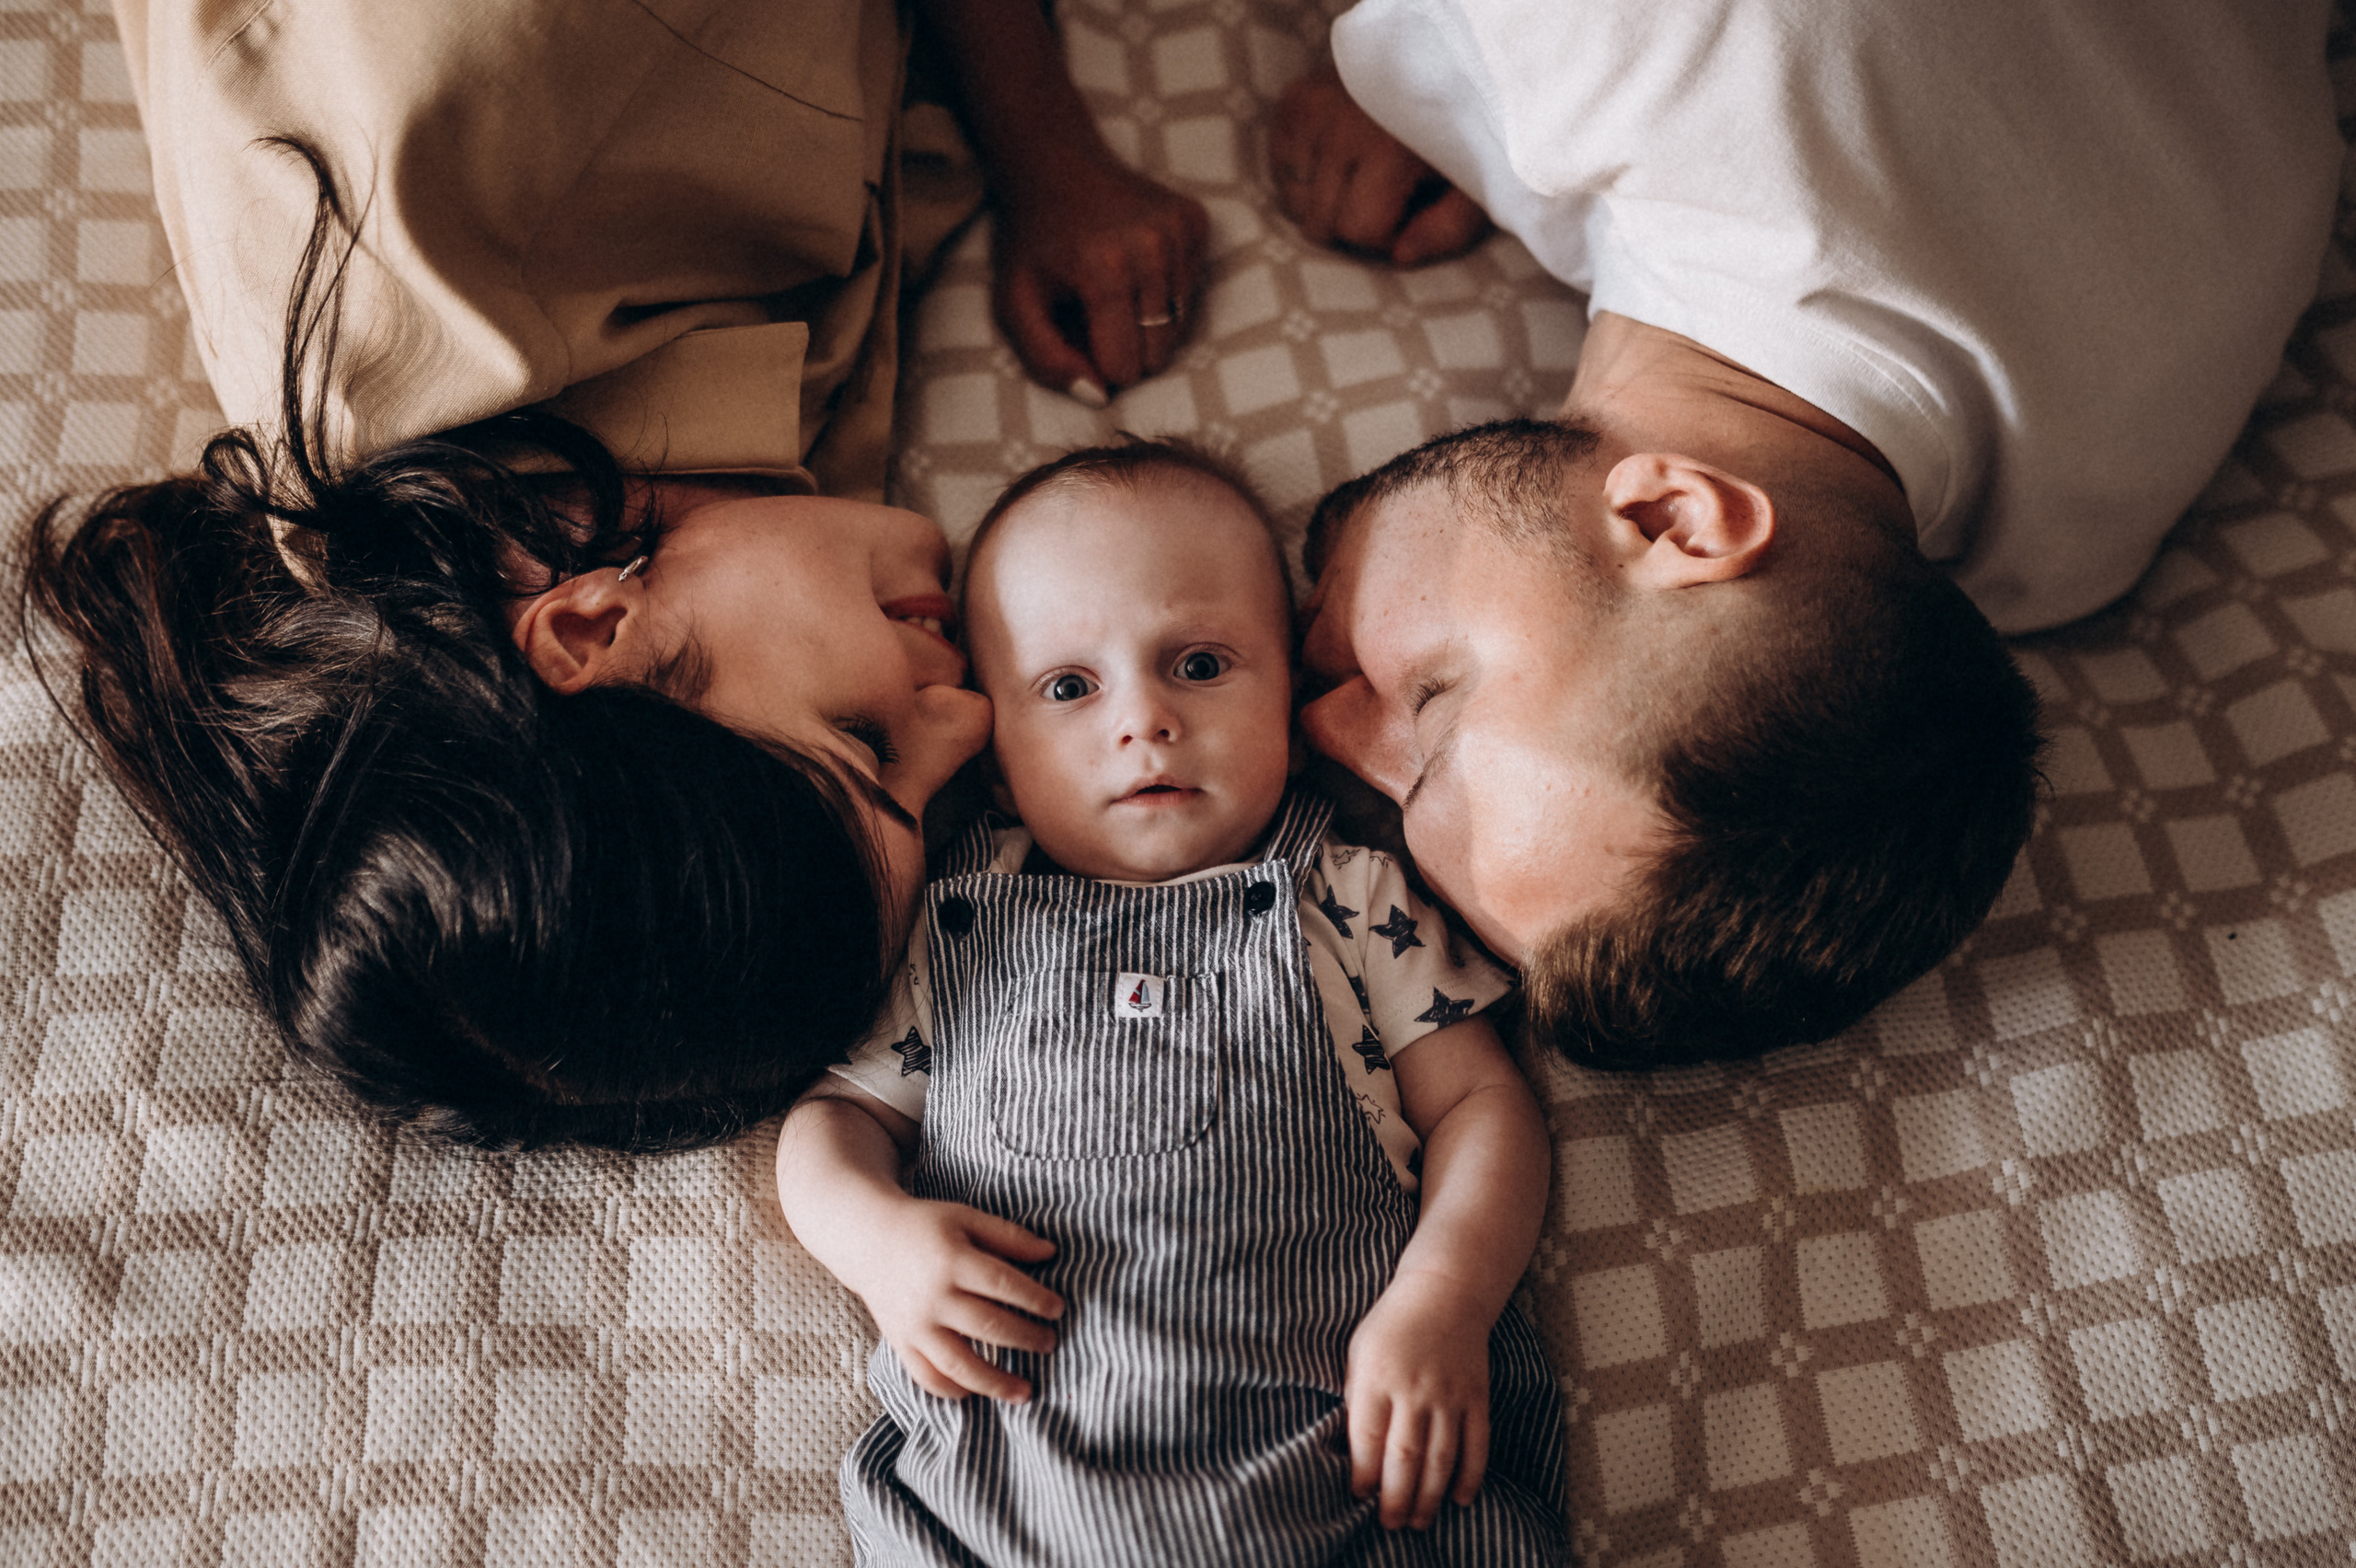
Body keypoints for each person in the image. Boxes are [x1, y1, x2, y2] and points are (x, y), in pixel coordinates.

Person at [22, 0, 1213, 1147]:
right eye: (926, 789)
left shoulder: (498, 113)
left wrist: (1050, 146)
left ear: (593, 632)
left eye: (865, 742)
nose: (967, 715)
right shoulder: (694, 511)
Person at [1269, 0, 2340, 1066]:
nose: (1323, 728)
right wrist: (1399, 60)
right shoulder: (1612, 47)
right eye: (1432, 701)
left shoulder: (2078, 544)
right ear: (1668, 516)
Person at [774, 443, 1566, 1564]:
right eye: (1068, 688)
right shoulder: (958, 925)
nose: (1142, 718)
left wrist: (1444, 1301)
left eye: (1198, 664)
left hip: (1342, 1483)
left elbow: (1484, 1108)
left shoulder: (1345, 895)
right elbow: (836, 1122)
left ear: (1290, 709)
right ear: (997, 765)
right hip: (1004, 1503)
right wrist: (878, 1243)